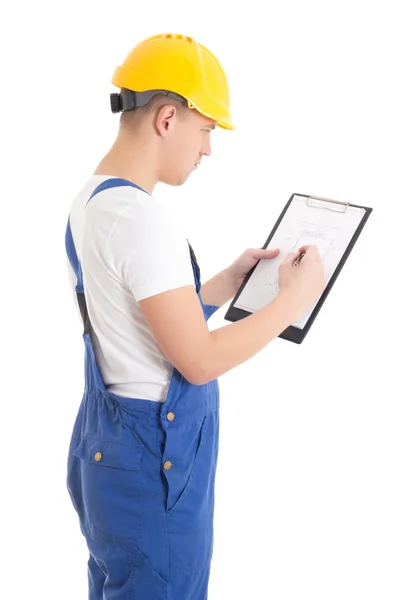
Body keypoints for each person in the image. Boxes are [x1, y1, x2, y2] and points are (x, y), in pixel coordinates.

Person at [65, 32, 325, 600]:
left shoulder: (92, 201)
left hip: (107, 449)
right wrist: (291, 302)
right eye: (206, 129)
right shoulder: (140, 218)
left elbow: (137, 320)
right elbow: (198, 360)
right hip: (153, 459)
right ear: (166, 119)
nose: (207, 149)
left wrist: (225, 284)